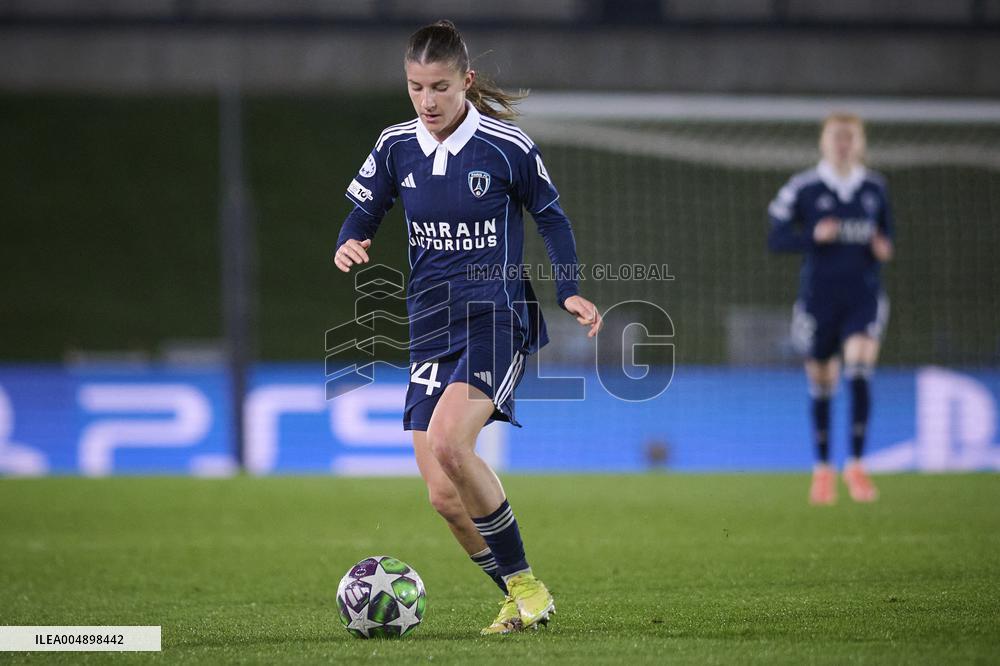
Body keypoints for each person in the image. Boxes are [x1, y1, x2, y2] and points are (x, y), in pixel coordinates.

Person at [334, 20, 602, 634]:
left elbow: (552, 220)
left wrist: (571, 290)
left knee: (453, 445)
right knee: (443, 496)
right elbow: (365, 208)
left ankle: (529, 589)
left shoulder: (507, 148)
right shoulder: (396, 143)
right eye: (415, 87)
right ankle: (518, 593)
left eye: (440, 87)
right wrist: (351, 238)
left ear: (467, 82)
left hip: (496, 318)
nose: (426, 102)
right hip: (430, 325)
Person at [767, 113, 894, 505]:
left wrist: (882, 248)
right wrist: (811, 238)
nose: (843, 144)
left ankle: (855, 464)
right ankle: (823, 470)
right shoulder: (803, 187)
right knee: (823, 382)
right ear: (824, 142)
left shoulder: (875, 187)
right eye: (837, 137)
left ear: (860, 142)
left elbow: (886, 239)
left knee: (859, 368)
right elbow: (775, 238)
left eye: (850, 138)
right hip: (818, 299)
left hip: (863, 296)